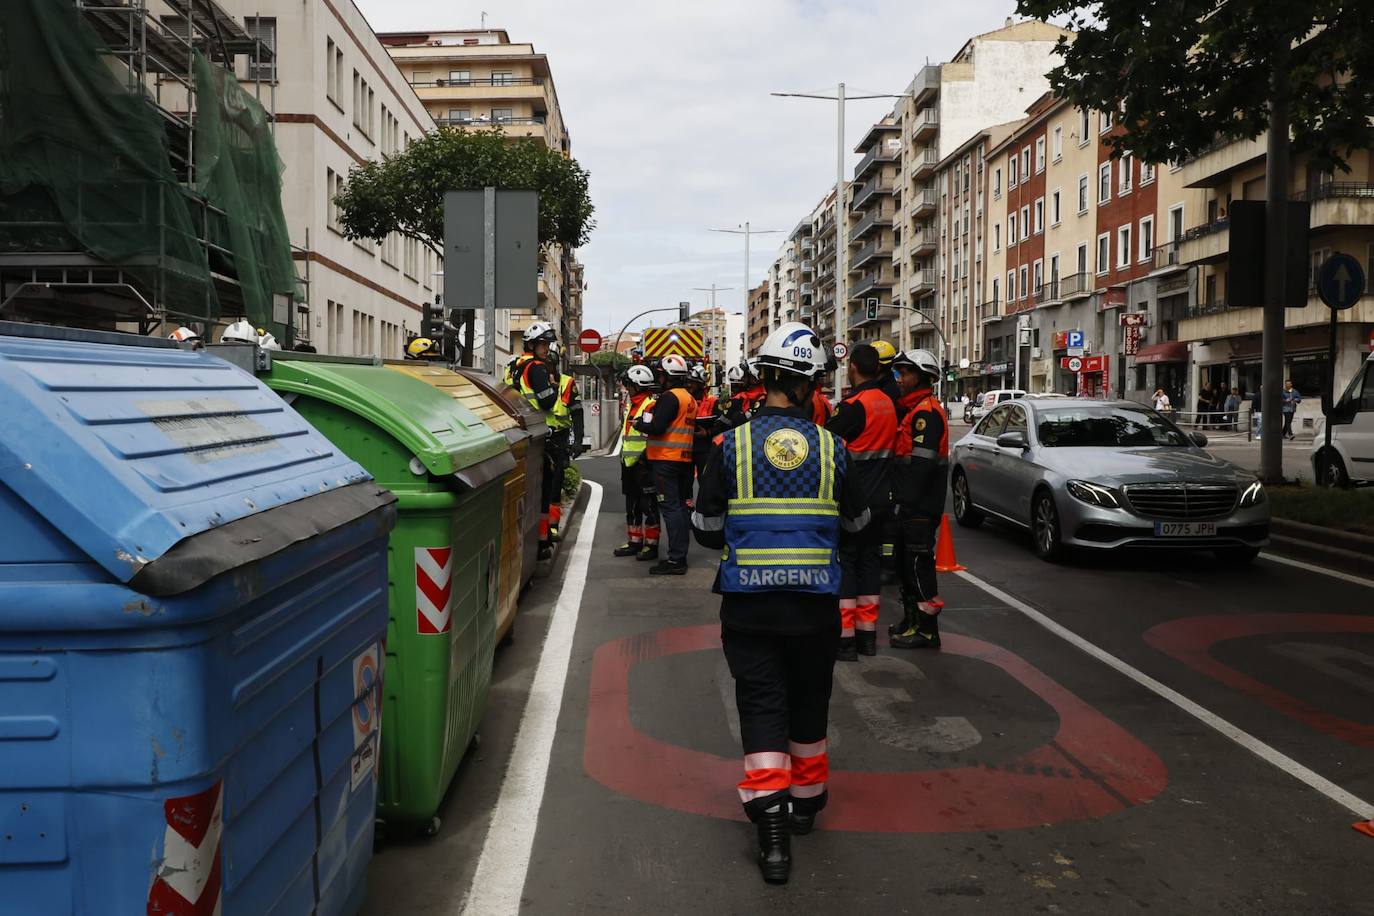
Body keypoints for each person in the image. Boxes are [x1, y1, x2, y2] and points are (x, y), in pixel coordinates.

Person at [690, 322, 870, 885]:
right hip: (815, 606)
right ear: (812, 385)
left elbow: (707, 529)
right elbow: (858, 524)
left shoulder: (728, 445)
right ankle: (806, 807)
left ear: (764, 377)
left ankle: (770, 836)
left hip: (748, 608)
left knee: (762, 705)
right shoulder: (834, 448)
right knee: (809, 701)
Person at [825, 344, 897, 661]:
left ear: (853, 367)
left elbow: (825, 442)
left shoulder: (854, 406)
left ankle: (845, 640)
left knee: (846, 563)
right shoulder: (887, 403)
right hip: (882, 498)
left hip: (854, 500)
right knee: (870, 564)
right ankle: (868, 637)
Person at [888, 348, 950, 650]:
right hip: (910, 505)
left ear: (923, 378)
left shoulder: (926, 413)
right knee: (905, 566)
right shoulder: (914, 410)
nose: (900, 379)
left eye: (906, 373)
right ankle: (911, 620)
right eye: (898, 372)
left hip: (919, 508)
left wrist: (906, 503)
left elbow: (922, 466)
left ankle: (926, 630)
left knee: (917, 566)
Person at [635, 353, 698, 575]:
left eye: (661, 375)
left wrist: (639, 424)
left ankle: (676, 559)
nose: (659, 379)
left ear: (668, 377)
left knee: (670, 508)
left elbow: (657, 427)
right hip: (684, 460)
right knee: (680, 508)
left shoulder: (670, 397)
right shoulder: (689, 398)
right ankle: (679, 555)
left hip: (665, 459)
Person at [514, 322, 561, 559]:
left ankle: (533, 540)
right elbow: (547, 402)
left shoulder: (516, 366)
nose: (546, 349)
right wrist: (553, 386)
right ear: (532, 345)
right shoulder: (537, 369)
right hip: (541, 434)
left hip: (523, 432)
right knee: (544, 490)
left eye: (547, 344)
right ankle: (542, 543)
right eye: (543, 344)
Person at [614, 365, 661, 560]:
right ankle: (634, 541)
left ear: (637, 386)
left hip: (644, 463)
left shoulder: (649, 405)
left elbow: (649, 431)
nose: (626, 387)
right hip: (629, 462)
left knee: (648, 505)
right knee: (632, 504)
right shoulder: (632, 404)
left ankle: (651, 545)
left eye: (629, 384)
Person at [689, 364, 718, 478]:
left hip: (705, 450)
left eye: (692, 382)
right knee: (685, 486)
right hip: (686, 449)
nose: (689, 385)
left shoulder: (713, 401)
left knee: (705, 482)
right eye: (688, 382)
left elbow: (721, 425)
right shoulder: (684, 400)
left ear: (701, 384)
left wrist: (707, 433)